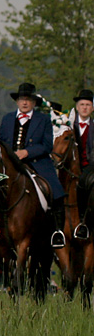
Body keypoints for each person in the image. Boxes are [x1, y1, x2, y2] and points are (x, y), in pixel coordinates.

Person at [0, 82, 66, 248]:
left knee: (55, 190)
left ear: (34, 102)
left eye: (28, 99)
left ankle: (57, 231)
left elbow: (47, 145)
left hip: (37, 163)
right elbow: (1, 142)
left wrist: (27, 152)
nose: (25, 102)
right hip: (10, 165)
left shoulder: (43, 120)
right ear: (17, 101)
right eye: (22, 99)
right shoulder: (7, 119)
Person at [72, 89, 94, 240]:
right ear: (77, 107)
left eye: (88, 104)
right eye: (82, 104)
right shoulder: (68, 126)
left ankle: (84, 221)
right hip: (70, 167)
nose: (85, 107)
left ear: (92, 108)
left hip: (90, 166)